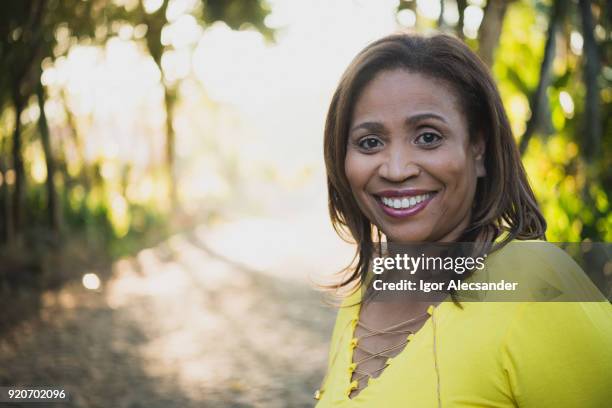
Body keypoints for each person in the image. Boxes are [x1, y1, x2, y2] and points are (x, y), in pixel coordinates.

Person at [315, 32, 612, 407]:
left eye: (427, 137)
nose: (396, 169)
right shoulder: (365, 292)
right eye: (370, 142)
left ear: (478, 150)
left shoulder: (535, 286)